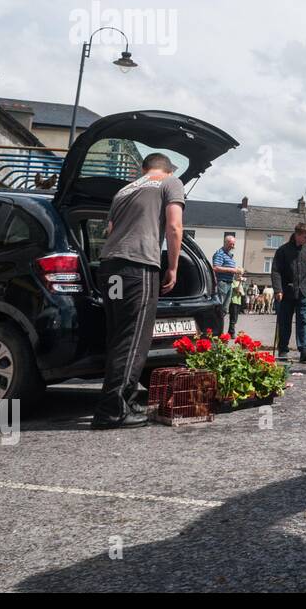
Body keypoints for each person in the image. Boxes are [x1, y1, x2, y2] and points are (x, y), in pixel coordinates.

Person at [93, 152, 185, 429]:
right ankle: (112, 411)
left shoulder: (124, 190)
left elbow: (109, 230)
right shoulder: (171, 183)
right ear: (167, 170)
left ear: (144, 169)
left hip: (110, 268)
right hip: (138, 266)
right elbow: (174, 226)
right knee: (134, 339)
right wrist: (172, 267)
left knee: (118, 336)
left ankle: (123, 401)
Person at [271, 221, 306, 362]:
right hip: (286, 292)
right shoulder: (282, 250)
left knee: (304, 320)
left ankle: (304, 350)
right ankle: (283, 350)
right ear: (297, 235)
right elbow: (276, 272)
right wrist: (278, 289)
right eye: (305, 237)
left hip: (304, 292)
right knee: (284, 321)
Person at [211, 235, 240, 332]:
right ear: (226, 242)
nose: (233, 246)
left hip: (229, 283)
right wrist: (232, 270)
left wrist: (236, 274)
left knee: (224, 310)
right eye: (231, 244)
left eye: (234, 244)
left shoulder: (229, 255)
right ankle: (216, 331)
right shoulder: (220, 253)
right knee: (219, 309)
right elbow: (215, 267)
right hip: (222, 283)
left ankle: (219, 332)